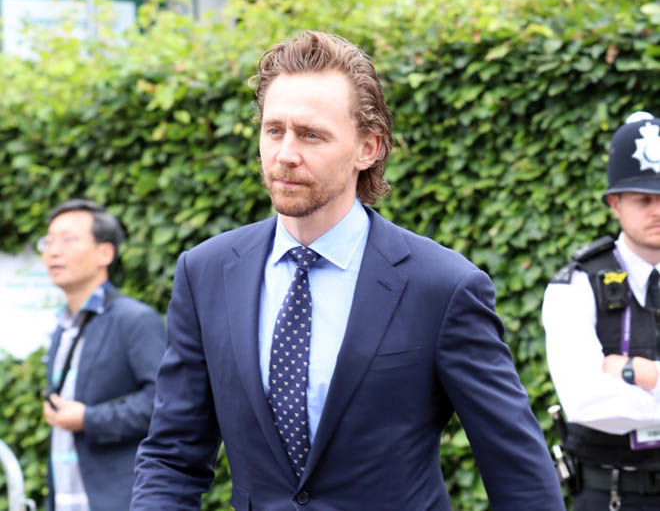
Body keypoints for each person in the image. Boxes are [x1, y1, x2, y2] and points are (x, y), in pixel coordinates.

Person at [131, 30, 564, 511]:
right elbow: (172, 457)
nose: (285, 154)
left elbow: (519, 473)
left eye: (311, 135)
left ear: (368, 149)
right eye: (274, 130)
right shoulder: (206, 272)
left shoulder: (442, 287)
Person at [543, 112, 660, 510]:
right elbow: (586, 402)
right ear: (615, 203)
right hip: (611, 496)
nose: (657, 210)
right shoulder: (575, 285)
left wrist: (639, 372)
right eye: (644, 199)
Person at [40, 199, 166, 511]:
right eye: (49, 241)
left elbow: (164, 402)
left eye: (68, 240)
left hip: (118, 499)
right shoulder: (62, 325)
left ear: (105, 253)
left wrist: (88, 419)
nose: (54, 251)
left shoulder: (134, 319)